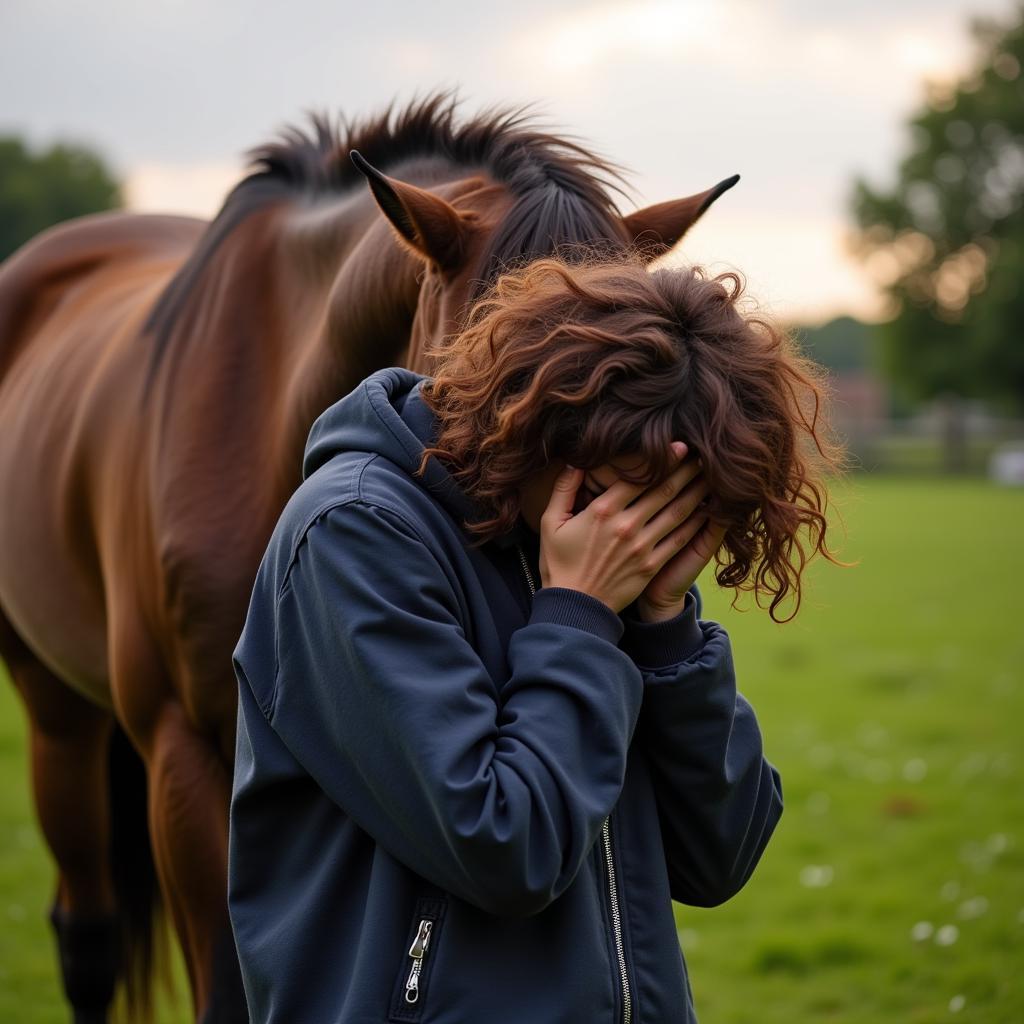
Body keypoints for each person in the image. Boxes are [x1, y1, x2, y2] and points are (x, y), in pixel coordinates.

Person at [227, 255, 842, 1023]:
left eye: (678, 507)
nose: (638, 530)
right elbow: (503, 845)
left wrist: (663, 626)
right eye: (624, 489)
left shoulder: (595, 558)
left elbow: (720, 856)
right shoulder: (355, 532)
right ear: (542, 424)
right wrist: (577, 616)